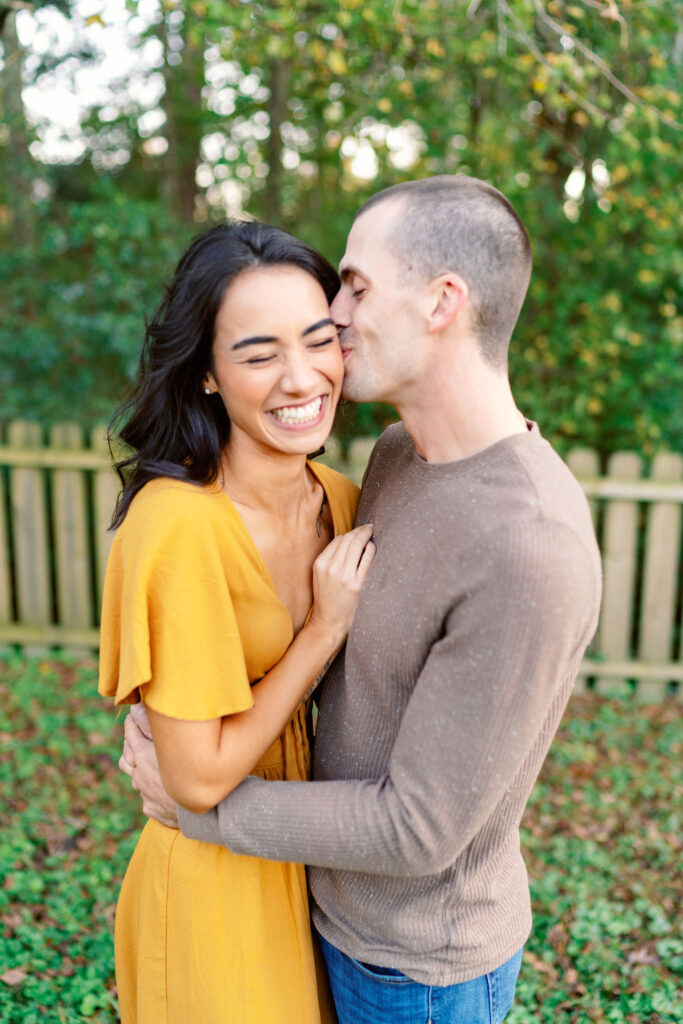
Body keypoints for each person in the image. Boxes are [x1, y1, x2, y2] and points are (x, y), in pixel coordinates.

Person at [122, 175, 603, 1024]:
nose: (338, 318)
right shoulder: (394, 459)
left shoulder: (525, 541)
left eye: (353, 288)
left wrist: (203, 809)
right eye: (260, 349)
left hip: (415, 966)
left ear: (442, 301)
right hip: (316, 913)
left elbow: (419, 829)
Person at [98, 220, 376, 1024]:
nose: (300, 378)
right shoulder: (179, 524)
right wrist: (322, 630)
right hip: (215, 881)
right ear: (209, 375)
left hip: (320, 867)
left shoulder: (344, 498)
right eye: (258, 355)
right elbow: (196, 779)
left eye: (318, 340)